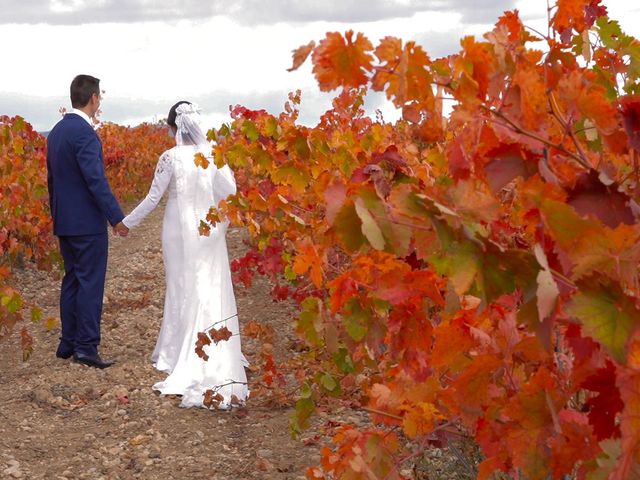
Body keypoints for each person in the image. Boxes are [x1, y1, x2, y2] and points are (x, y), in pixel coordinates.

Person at [122, 101, 248, 409]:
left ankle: (178, 350)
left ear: (174, 128)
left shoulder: (170, 157)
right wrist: (219, 222)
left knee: (179, 285)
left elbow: (153, 198)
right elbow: (231, 193)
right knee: (207, 286)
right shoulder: (214, 155)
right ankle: (211, 345)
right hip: (207, 231)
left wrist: (126, 223)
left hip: (177, 231)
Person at [46, 74, 129, 370]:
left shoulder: (55, 133)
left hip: (65, 221)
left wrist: (57, 216)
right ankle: (86, 347)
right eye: (99, 97)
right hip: (87, 224)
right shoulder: (85, 134)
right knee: (90, 282)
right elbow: (96, 180)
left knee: (71, 280)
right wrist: (116, 218)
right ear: (94, 98)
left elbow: (52, 181)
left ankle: (67, 342)